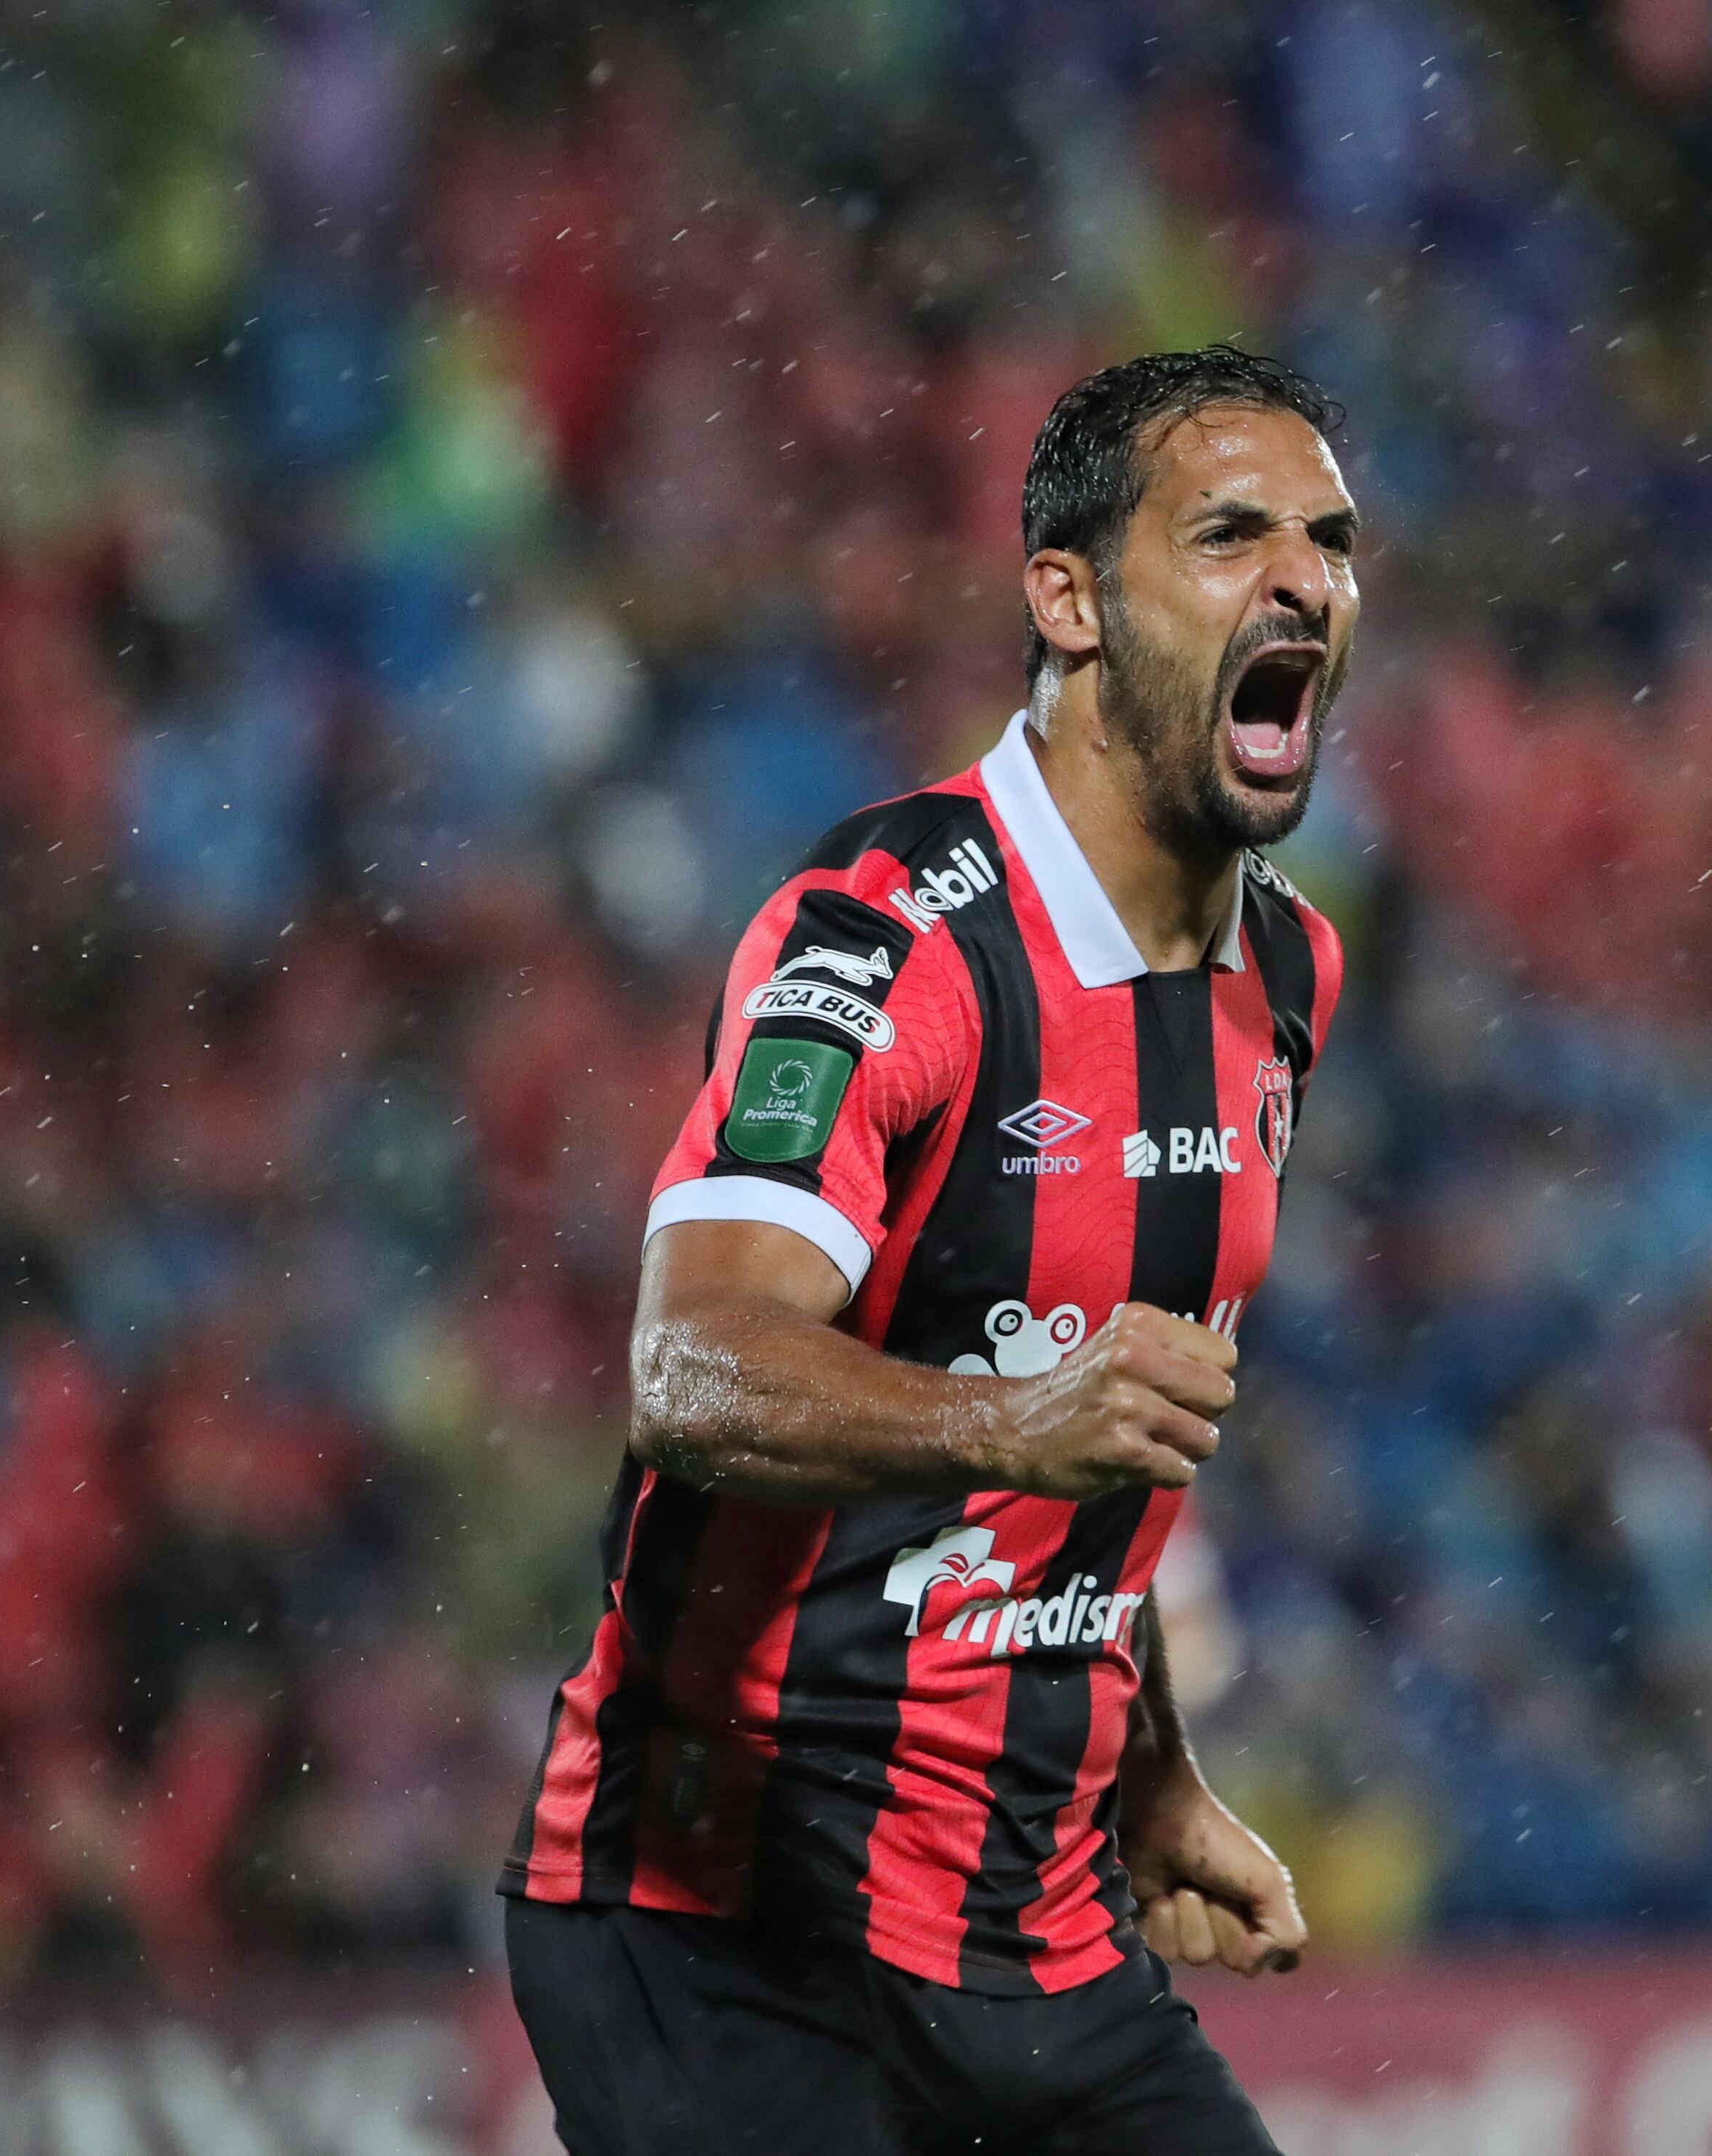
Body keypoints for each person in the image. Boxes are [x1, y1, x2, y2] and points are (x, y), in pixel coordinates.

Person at [500, 346, 1357, 2155]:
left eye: (1331, 540)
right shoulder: (887, 942)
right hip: (725, 1926)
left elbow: (1099, 1456)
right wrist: (997, 1423)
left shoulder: (1288, 979)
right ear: (1069, 598)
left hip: (1028, 1932)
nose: (1304, 580)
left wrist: (1154, 1766)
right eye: (1228, 534)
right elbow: (689, 1368)